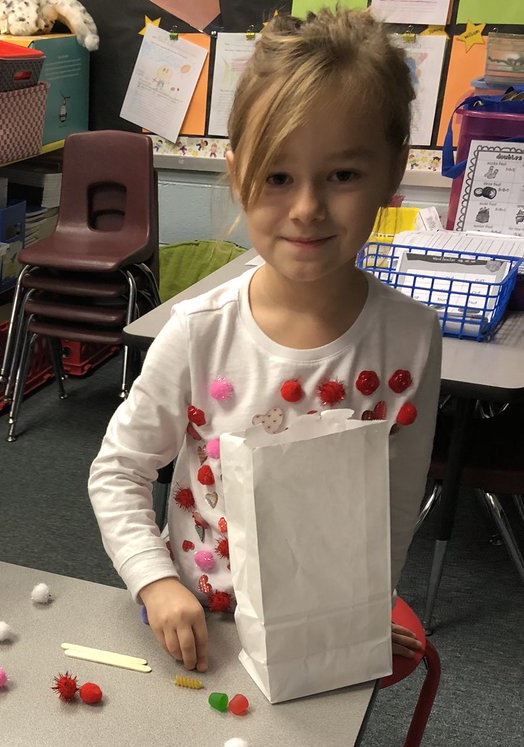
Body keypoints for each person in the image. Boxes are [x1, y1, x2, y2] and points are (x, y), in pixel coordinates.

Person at [89, 7, 440, 673]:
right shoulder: (200, 331)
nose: (307, 208)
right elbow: (119, 469)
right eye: (278, 177)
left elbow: (394, 502)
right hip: (198, 629)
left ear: (393, 172)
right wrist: (155, 582)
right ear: (237, 173)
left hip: (319, 631)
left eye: (342, 175)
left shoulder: (412, 338)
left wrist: (368, 606)